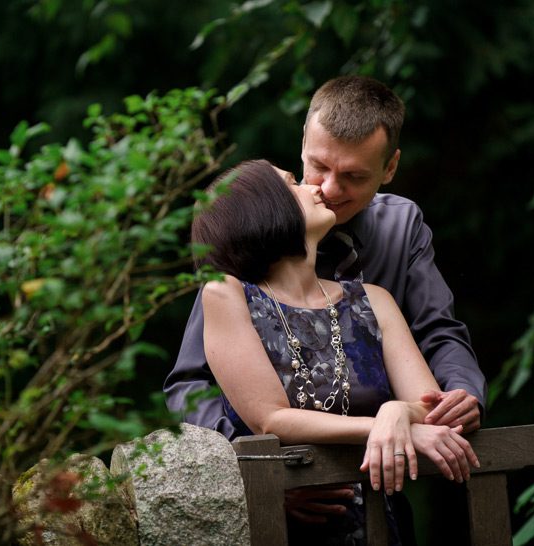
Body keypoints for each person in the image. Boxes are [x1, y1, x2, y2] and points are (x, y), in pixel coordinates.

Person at [165, 75, 486, 438]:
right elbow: (192, 382)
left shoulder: (399, 234)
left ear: (390, 168)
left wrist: (460, 396)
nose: (329, 189)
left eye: (354, 176)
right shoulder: (246, 245)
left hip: (388, 450)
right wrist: (257, 460)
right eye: (318, 167)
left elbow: (437, 330)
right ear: (304, 140)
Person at [192, 159, 480, 545]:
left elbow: (429, 406)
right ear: (260, 208)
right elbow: (270, 419)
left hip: (380, 523)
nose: (315, 188)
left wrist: (397, 412)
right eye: (292, 184)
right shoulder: (226, 294)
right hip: (288, 525)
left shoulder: (374, 300)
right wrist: (380, 426)